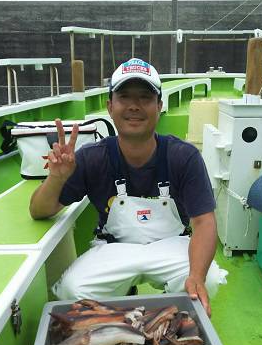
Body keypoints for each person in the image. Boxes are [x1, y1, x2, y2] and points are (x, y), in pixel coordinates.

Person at [30, 58, 227, 316]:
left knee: (207, 279)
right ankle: (119, 322)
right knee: (71, 290)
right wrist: (56, 178)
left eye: (145, 97)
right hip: (113, 247)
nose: (134, 106)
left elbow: (204, 222)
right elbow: (39, 210)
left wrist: (197, 276)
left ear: (159, 106)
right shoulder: (92, 157)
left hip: (171, 245)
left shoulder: (184, 156)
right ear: (110, 106)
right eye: (124, 97)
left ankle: (172, 321)